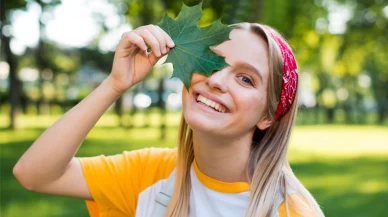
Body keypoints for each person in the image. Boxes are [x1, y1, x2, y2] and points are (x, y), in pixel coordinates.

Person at [13, 22, 325, 217]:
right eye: (213, 61)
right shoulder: (151, 174)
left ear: (269, 116)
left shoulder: (290, 212)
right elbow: (35, 174)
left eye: (245, 79)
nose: (217, 80)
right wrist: (115, 84)